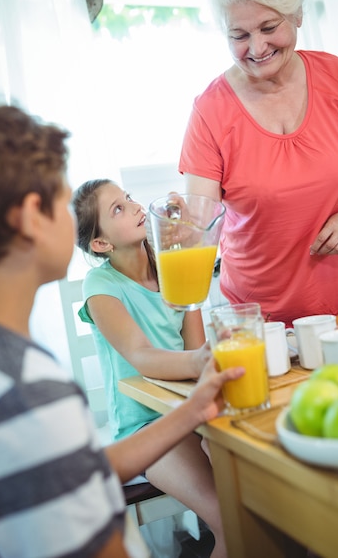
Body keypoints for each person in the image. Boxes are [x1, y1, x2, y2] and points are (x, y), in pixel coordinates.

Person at [0, 103, 244, 558]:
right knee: (237, 521)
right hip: (144, 421)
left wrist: (194, 409)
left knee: (247, 501)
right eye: (61, 203)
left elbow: (77, 471)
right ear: (30, 217)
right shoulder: (27, 398)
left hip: (179, 412)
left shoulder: (4, 373)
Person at [179, 0, 338, 327]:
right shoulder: (210, 110)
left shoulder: (336, 77)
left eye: (269, 27)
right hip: (259, 320)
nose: (257, 48)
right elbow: (201, 220)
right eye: (239, 35)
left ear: (297, 16)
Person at [73, 179, 228, 558]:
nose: (134, 205)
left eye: (128, 197)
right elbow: (141, 355)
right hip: (146, 428)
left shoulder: (169, 268)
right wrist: (201, 359)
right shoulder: (100, 285)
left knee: (261, 505)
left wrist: (192, 253)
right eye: (117, 209)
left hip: (191, 414)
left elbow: (194, 353)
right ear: (101, 244)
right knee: (229, 518)